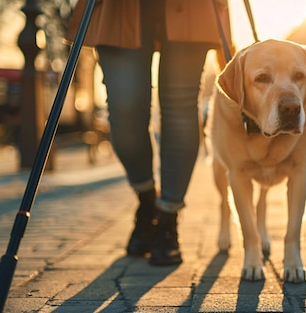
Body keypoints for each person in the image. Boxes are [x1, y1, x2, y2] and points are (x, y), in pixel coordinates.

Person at [66, 0, 232, 266]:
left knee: (180, 105)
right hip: (118, 8)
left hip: (193, 7)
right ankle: (147, 199)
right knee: (125, 108)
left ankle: (167, 218)